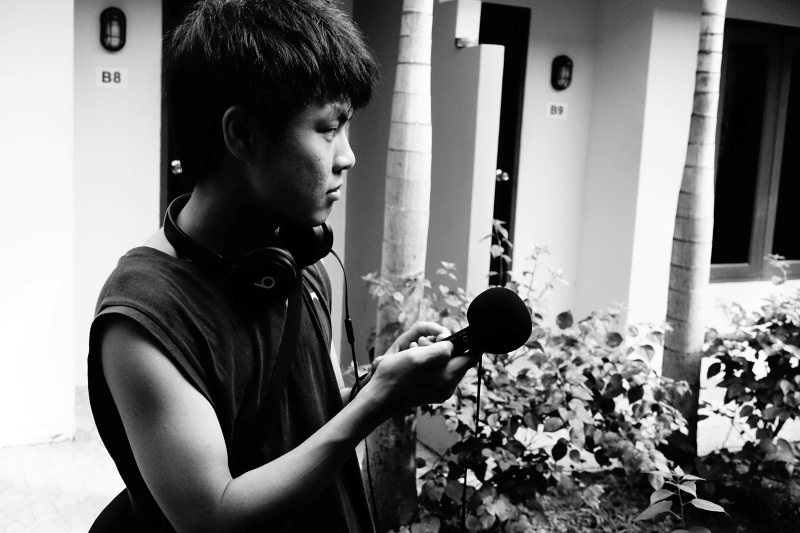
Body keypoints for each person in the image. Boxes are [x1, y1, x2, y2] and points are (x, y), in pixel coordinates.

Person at [87, 1, 480, 532]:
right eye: (328, 128)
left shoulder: (302, 266)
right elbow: (213, 517)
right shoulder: (143, 315)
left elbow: (300, 425)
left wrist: (382, 390)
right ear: (242, 134)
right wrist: (371, 406)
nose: (347, 156)